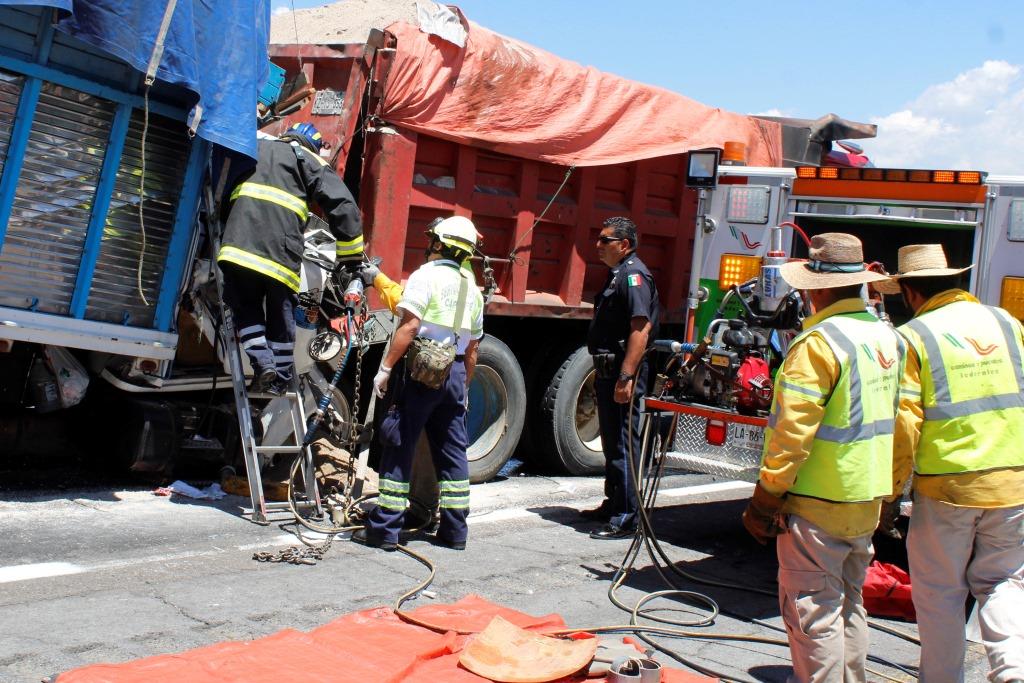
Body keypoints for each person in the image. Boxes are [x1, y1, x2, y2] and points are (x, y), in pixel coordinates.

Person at [742, 233, 902, 683]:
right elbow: (904, 424)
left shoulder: (818, 344)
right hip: (864, 498)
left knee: (814, 612)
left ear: (818, 289)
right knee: (851, 603)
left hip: (817, 503)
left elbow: (792, 436)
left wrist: (764, 500)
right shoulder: (887, 339)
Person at [881, 244, 1024, 682]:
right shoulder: (1007, 322)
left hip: (948, 488)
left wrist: (890, 492)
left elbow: (906, 425)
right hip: (1014, 483)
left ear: (908, 291)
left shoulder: (914, 336)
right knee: (1002, 583)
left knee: (940, 594)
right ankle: (1013, 671)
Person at [352, 216, 484, 551]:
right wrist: (463, 388)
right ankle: (455, 533)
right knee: (453, 451)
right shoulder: (473, 286)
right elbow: (473, 348)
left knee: (399, 441)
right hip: (453, 371)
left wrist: (384, 368)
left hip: (422, 371)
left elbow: (409, 327)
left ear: (440, 244)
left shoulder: (426, 276)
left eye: (433, 240)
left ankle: (384, 531)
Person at [218, 122, 363, 395]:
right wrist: (351, 258)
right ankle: (282, 376)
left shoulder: (256, 147)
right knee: (281, 312)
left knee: (244, 305)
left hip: (237, 245)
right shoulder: (307, 159)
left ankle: (262, 363)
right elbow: (343, 205)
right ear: (312, 146)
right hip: (279, 253)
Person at [583, 216, 660, 540]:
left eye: (605, 240)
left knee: (625, 443)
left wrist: (626, 376)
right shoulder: (618, 274)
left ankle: (627, 515)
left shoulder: (634, 276)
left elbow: (640, 330)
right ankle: (614, 502)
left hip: (621, 370)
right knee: (612, 441)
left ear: (624, 245)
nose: (598, 246)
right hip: (608, 369)